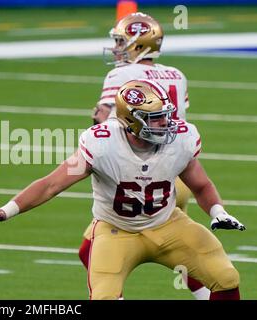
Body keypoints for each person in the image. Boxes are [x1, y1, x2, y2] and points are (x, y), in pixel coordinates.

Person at [0, 79, 245, 300]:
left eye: (166, 115)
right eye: (157, 118)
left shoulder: (181, 139)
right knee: (104, 297)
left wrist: (217, 211)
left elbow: (201, 184)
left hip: (168, 224)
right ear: (132, 121)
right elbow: (51, 184)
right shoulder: (102, 144)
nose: (167, 123)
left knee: (227, 278)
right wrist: (6, 211)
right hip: (116, 231)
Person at [85, 12, 206, 298]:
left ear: (139, 45)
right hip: (177, 174)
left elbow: (103, 124)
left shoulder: (121, 74)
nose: (116, 48)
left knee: (92, 252)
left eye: (121, 41)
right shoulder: (176, 74)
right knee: (183, 257)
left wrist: (95, 123)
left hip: (137, 178)